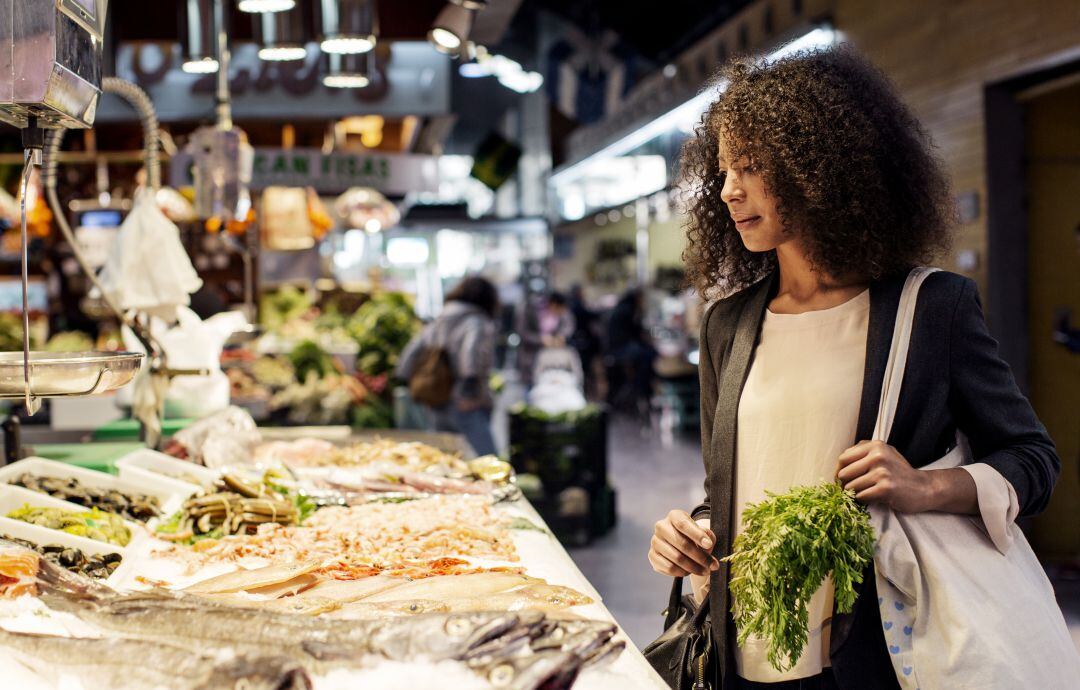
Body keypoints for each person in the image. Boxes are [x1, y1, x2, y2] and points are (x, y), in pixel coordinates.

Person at [647, 47, 1061, 689]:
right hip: (744, 647)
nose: (729, 190)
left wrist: (925, 488)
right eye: (724, 170)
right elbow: (729, 484)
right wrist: (693, 532)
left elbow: (1033, 460)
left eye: (753, 167)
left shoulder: (930, 309)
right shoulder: (728, 323)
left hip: (871, 648)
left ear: (818, 169)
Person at [397, 276, 499, 456]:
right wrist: (470, 392)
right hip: (465, 400)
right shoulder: (477, 322)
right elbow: (471, 355)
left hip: (436, 397)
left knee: (444, 458)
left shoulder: (439, 320)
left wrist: (405, 380)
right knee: (489, 458)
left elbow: (410, 353)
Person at [605, 288, 657, 412]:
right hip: (620, 349)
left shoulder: (623, 308)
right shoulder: (627, 310)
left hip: (617, 347)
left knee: (647, 352)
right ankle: (642, 388)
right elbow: (635, 333)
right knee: (648, 354)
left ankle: (642, 386)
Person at [568, 285, 602, 398]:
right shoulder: (577, 305)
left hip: (580, 340)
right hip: (582, 341)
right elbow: (588, 315)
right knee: (584, 367)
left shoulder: (573, 304)